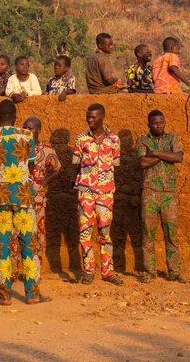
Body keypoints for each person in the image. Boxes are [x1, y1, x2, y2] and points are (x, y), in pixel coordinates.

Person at [0, 99, 50, 305]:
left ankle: (4, 295)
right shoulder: (27, 136)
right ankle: (32, 294)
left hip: (0, 199)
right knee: (29, 245)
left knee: (4, 247)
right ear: (16, 116)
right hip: (23, 198)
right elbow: (32, 166)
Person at [72, 103, 123, 285]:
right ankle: (88, 271)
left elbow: (114, 164)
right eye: (88, 117)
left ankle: (108, 271)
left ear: (102, 117)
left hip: (106, 193)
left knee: (105, 233)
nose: (90, 120)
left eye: (93, 117)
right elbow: (76, 164)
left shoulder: (114, 139)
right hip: (85, 192)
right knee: (84, 233)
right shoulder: (81, 140)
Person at [136, 111, 185, 283]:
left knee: (171, 234)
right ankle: (150, 271)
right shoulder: (142, 140)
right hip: (150, 192)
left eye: (161, 122)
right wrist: (166, 155)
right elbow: (142, 162)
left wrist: (155, 153)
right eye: (155, 123)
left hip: (169, 194)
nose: (159, 125)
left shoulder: (172, 138)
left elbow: (178, 157)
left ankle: (174, 271)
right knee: (148, 234)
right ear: (149, 124)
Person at [17, 117, 62, 277]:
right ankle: (16, 271)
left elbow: (57, 168)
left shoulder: (47, 149)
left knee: (38, 235)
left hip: (38, 199)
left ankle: (34, 270)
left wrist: (45, 181)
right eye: (25, 128)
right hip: (19, 198)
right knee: (17, 234)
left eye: (30, 128)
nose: (27, 131)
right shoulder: (17, 148)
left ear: (39, 129)